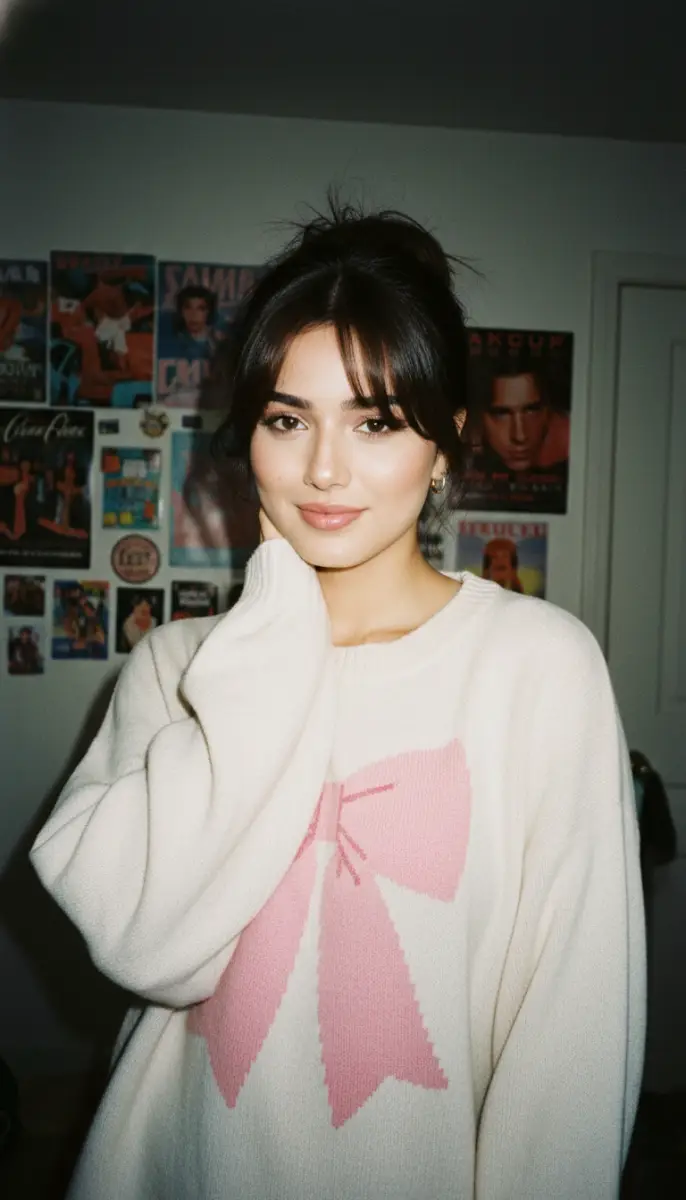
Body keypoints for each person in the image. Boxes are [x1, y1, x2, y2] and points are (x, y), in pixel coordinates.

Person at [29, 199, 646, 1200]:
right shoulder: (178, 667)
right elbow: (145, 945)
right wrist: (274, 620)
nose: (322, 469)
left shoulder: (537, 668)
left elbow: (569, 1040)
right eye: (286, 419)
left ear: (445, 440)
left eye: (374, 421)